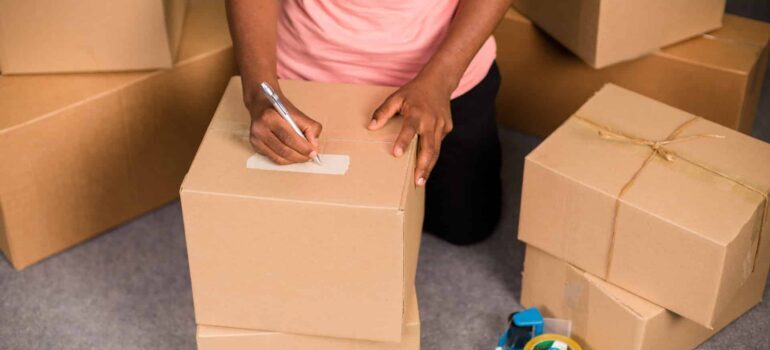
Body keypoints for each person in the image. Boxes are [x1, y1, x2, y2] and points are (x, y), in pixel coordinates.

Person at [226, 0, 509, 245]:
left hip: (448, 75)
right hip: (308, 78)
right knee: (308, 241)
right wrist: (260, 93)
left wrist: (442, 79)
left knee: (467, 226)